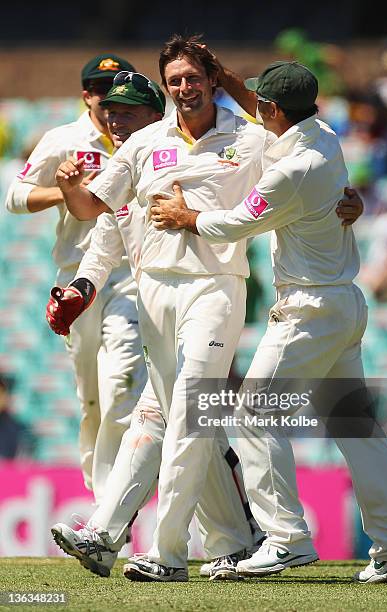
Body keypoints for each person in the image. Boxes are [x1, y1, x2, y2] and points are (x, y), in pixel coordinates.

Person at [54, 35, 364, 583]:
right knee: (167, 416)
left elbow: (310, 158)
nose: (183, 88)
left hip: (216, 289)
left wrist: (348, 197)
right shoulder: (146, 141)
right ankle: (210, 539)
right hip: (154, 294)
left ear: (211, 80)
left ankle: (169, 553)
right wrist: (70, 191)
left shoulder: (250, 137)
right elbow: (93, 209)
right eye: (174, 80)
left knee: (190, 420)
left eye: (192, 78)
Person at [151, 60, 387, 584]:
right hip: (343, 303)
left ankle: (285, 540)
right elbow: (263, 109)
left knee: (254, 414)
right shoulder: (321, 132)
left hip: (307, 309)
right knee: (356, 427)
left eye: (263, 103)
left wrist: (186, 217)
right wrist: (223, 73)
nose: (256, 107)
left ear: (275, 110)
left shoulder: (290, 171)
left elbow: (238, 223)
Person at [48, 73, 261, 580]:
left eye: (127, 112)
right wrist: (80, 290)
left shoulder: (184, 151)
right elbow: (101, 244)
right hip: (156, 306)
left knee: (180, 413)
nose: (114, 121)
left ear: (153, 115)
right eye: (110, 112)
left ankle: (137, 541)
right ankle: (235, 539)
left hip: (209, 294)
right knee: (171, 417)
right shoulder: (128, 173)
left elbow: (282, 153)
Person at [5, 54, 148, 505]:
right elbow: (15, 196)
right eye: (103, 93)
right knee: (92, 397)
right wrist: (68, 193)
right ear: (87, 95)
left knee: (121, 379)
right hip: (77, 277)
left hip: (130, 274)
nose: (112, 104)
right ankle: (98, 485)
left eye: (121, 94)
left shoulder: (144, 139)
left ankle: (111, 508)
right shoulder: (65, 139)